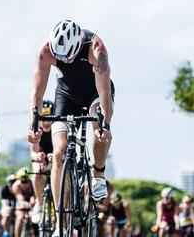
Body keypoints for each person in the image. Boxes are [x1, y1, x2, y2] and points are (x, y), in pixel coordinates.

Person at [27, 19, 115, 235]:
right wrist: (33, 124)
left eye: (70, 56)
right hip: (66, 95)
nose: (65, 60)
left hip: (95, 93)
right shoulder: (46, 51)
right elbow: (37, 94)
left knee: (100, 130)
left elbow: (104, 94)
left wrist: (104, 123)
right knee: (58, 154)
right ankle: (60, 222)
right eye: (61, 57)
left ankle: (98, 175)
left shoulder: (96, 48)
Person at [30, 99, 54, 225]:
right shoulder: (36, 128)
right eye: (43, 119)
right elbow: (33, 153)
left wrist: (54, 155)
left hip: (55, 154)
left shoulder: (57, 127)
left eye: (49, 118)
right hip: (41, 155)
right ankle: (39, 204)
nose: (46, 122)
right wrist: (38, 156)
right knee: (37, 171)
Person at [12, 167, 35, 237]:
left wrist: (32, 203)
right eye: (22, 178)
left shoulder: (32, 183)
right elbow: (20, 200)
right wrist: (29, 204)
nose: (24, 180)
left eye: (26, 178)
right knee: (20, 216)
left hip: (31, 204)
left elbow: (34, 196)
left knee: (34, 217)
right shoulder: (16, 186)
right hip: (20, 205)